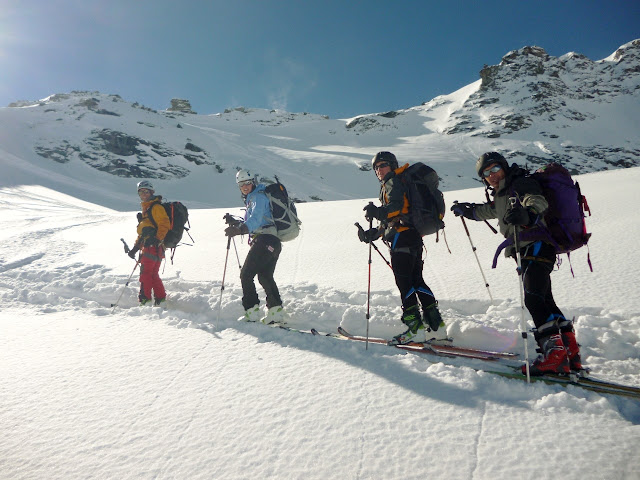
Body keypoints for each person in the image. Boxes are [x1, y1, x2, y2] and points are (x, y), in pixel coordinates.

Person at [450, 152, 582, 375]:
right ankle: (570, 353)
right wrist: (468, 210)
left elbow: (536, 200)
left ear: (503, 167)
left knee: (534, 297)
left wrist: (528, 214)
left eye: (494, 169)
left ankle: (555, 356)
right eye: (486, 173)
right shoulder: (503, 194)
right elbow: (489, 211)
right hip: (527, 248)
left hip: (536, 244)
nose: (491, 175)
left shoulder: (520, 183)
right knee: (544, 298)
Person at [358, 151, 447, 345]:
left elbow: (396, 209)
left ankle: (415, 328)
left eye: (382, 165)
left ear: (391, 165)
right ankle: (437, 326)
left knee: (404, 282)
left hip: (402, 238)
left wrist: (378, 212)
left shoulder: (393, 181)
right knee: (417, 280)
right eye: (376, 167)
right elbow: (397, 215)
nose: (379, 170)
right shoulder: (401, 180)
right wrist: (375, 233)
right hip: (414, 236)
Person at [225, 170, 285, 324]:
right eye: (241, 184)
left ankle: (252, 313)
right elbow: (255, 219)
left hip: (264, 241)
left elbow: (256, 220)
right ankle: (275, 312)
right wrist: (237, 223)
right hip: (273, 242)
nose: (245, 186)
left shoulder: (258, 197)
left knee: (246, 274)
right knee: (264, 276)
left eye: (247, 183)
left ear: (253, 182)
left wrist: (240, 230)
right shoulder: (254, 198)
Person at [127, 180, 170, 306]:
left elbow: (164, 224)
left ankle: (145, 300)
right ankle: (160, 299)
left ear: (151, 192)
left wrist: (157, 239)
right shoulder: (148, 209)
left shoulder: (156, 207)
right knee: (152, 274)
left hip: (153, 247)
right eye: (141, 192)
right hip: (155, 248)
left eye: (146, 191)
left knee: (145, 274)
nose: (143, 194)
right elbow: (143, 234)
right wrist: (135, 248)